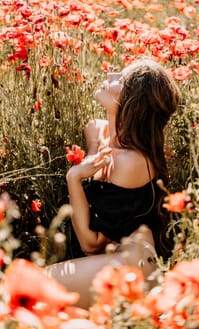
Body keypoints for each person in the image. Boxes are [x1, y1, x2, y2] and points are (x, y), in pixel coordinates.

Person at [47, 58, 180, 309]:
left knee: (24, 292)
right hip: (114, 257)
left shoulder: (134, 162)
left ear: (132, 103)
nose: (111, 74)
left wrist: (74, 178)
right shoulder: (103, 135)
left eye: (122, 79)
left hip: (134, 267)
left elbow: (90, 243)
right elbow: (95, 128)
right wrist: (103, 135)